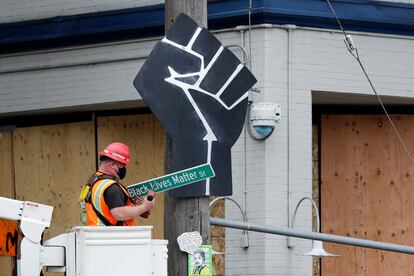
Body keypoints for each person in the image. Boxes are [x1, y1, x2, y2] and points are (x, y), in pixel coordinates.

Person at [82, 142, 155, 226]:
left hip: (97, 235)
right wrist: (144, 207)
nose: (124, 169)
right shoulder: (111, 187)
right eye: (123, 165)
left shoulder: (93, 182)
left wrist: (133, 205)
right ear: (113, 164)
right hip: (114, 237)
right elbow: (119, 213)